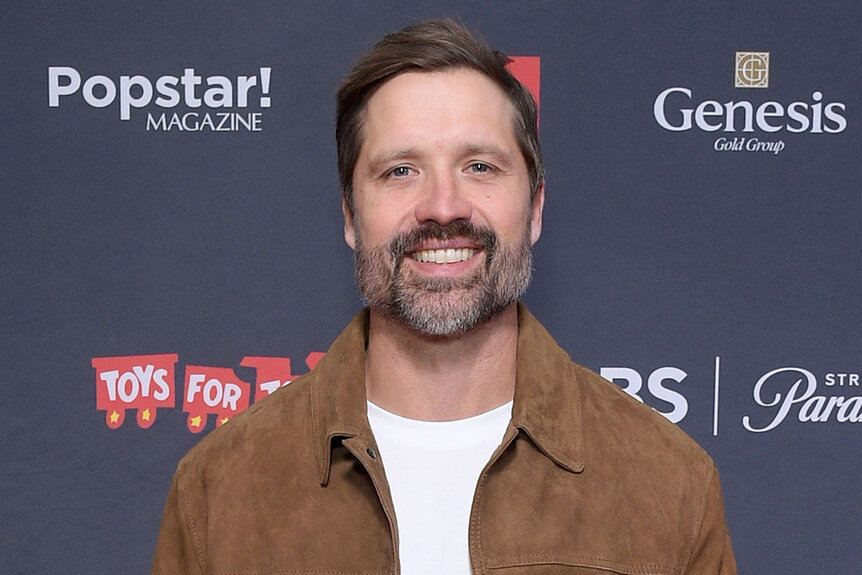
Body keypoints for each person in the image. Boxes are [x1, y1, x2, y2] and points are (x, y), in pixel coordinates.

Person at [151, 19, 737, 575]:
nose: (443, 206)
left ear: (533, 209)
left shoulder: (669, 481)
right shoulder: (219, 487)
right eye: (401, 171)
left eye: (479, 165)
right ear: (351, 216)